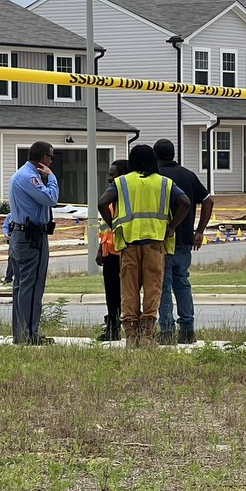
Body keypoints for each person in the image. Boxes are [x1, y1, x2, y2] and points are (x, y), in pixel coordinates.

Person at [99, 144, 190, 347]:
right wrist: (172, 227)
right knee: (153, 289)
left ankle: (131, 337)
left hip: (129, 244)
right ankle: (147, 336)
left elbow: (102, 202)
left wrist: (113, 225)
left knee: (129, 290)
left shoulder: (122, 182)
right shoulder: (164, 183)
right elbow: (185, 202)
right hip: (155, 243)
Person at [154, 138, 215, 345]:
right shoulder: (188, 175)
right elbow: (208, 200)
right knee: (183, 284)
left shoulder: (157, 177)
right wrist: (200, 231)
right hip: (185, 241)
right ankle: (187, 330)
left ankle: (167, 331)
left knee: (163, 286)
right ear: (173, 154)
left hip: (162, 240)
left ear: (156, 156)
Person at [9, 141, 59, 345]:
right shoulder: (29, 177)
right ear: (43, 158)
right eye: (51, 158)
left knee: (21, 286)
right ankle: (29, 334)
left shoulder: (23, 175)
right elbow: (51, 198)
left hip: (23, 234)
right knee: (32, 285)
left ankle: (21, 334)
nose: (51, 161)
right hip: (31, 238)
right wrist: (52, 178)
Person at [94, 159, 129, 342]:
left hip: (123, 251)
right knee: (111, 294)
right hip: (109, 252)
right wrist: (100, 248)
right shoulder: (109, 197)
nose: (109, 178)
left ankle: (128, 327)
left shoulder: (126, 198)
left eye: (112, 174)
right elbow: (104, 227)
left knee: (126, 294)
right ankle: (112, 327)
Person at [1, 212, 15, 284]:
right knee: (12, 259)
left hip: (23, 241)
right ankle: (8, 278)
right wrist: (6, 234)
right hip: (13, 241)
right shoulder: (10, 216)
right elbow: (5, 226)